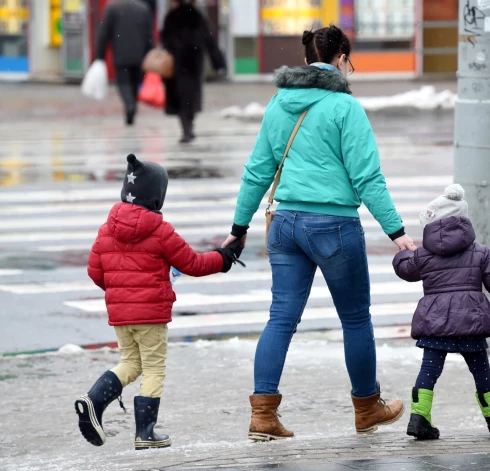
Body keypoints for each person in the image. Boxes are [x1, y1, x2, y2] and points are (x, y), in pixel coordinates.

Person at [221, 25, 415, 441]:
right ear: (341, 58)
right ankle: (367, 408)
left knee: (280, 318)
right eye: (350, 62)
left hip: (286, 225)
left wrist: (238, 229)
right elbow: (368, 178)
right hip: (333, 228)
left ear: (306, 58)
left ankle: (263, 415)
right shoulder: (346, 108)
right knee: (355, 318)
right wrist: (397, 232)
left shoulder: (279, 103)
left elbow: (257, 171)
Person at [75, 154, 243, 450]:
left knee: (131, 362)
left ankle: (94, 401)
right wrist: (225, 257)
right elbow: (192, 263)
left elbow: (94, 271)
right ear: (157, 196)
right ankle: (145, 432)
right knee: (153, 369)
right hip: (150, 314)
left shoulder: (106, 229)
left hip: (121, 315)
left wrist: (119, 291)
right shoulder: (159, 230)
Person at [393, 184, 490, 440]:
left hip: (435, 320)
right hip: (471, 320)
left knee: (429, 369)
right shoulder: (480, 252)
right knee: (480, 369)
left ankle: (419, 416)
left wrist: (403, 253)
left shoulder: (424, 255)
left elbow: (405, 270)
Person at [161, 0, 227, 143]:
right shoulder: (197, 16)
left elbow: (165, 39)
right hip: (194, 61)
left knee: (180, 94)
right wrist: (219, 63)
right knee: (192, 94)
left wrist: (172, 48)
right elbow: (209, 40)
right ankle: (189, 125)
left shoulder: (171, 16)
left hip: (177, 61)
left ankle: (186, 128)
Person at [95, 0, 154, 125]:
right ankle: (132, 107)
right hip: (140, 55)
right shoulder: (143, 8)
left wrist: (100, 55)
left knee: (123, 83)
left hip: (121, 54)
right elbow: (149, 34)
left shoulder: (112, 7)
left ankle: (129, 105)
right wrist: (150, 53)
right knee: (135, 83)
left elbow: (104, 33)